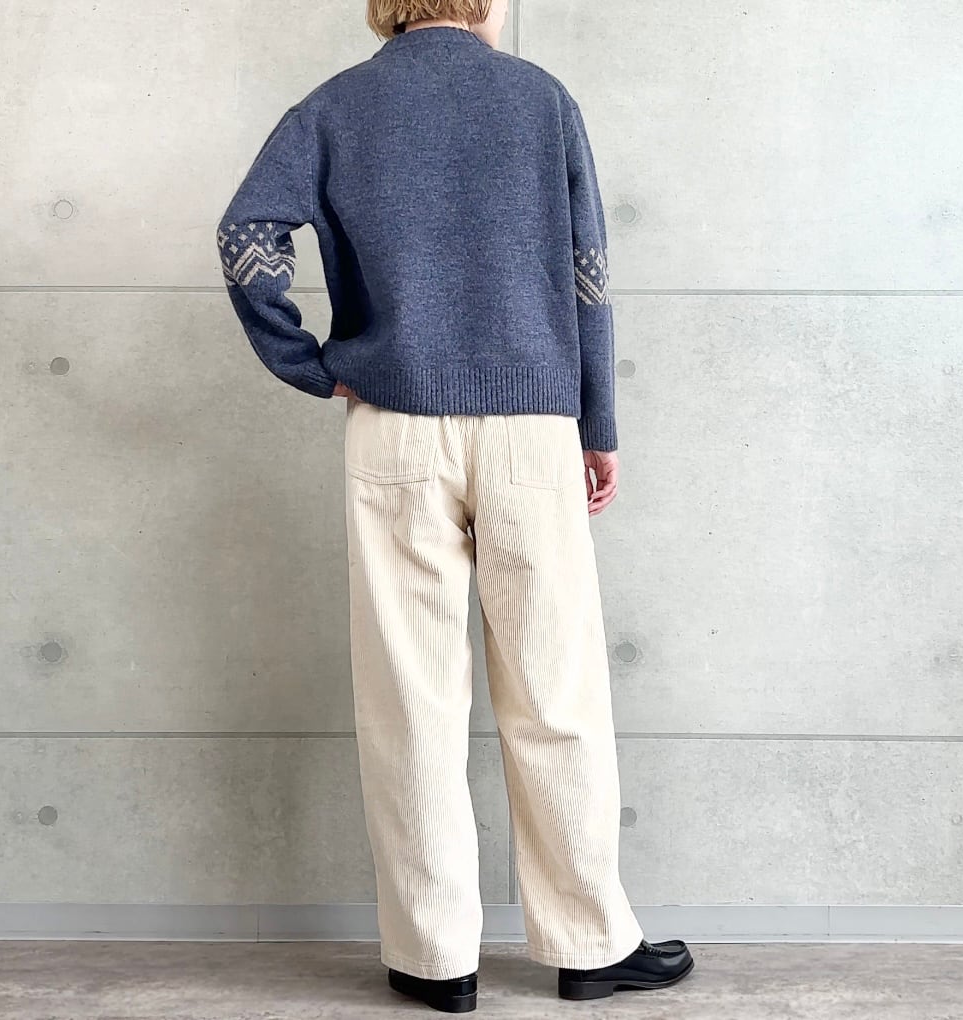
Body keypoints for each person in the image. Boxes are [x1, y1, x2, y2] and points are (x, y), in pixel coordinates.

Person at [216, 0, 694, 1011]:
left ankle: (434, 961)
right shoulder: (541, 100)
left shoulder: (336, 106)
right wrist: (597, 423)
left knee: (410, 699)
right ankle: (590, 946)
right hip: (531, 429)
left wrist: (313, 365)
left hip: (394, 425)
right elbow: (588, 277)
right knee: (556, 691)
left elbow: (245, 235)